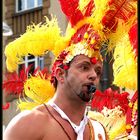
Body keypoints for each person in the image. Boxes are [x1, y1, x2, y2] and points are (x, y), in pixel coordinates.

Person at [3, 0, 137, 140]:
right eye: (84, 67)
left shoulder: (99, 132)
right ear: (61, 74)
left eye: (98, 72)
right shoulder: (30, 124)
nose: (93, 76)